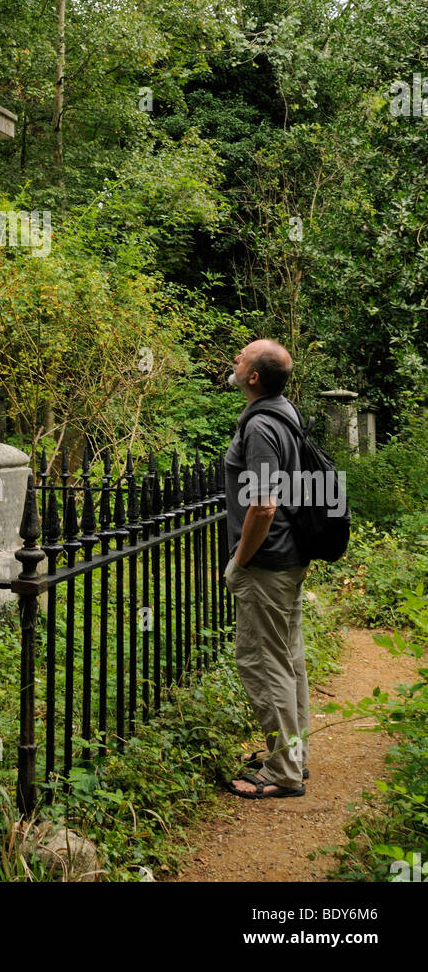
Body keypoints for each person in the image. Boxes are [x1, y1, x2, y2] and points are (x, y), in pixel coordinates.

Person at [223, 339, 310, 798]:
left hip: (266, 563)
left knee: (262, 662)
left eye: (240, 358)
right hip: (290, 557)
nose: (234, 361)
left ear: (253, 377)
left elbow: (263, 504)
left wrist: (240, 561)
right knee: (289, 661)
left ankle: (282, 773)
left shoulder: (260, 427)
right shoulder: (284, 411)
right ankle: (293, 756)